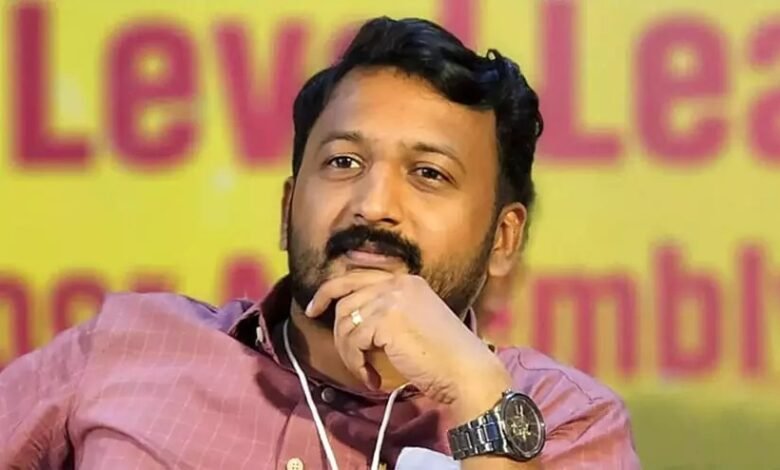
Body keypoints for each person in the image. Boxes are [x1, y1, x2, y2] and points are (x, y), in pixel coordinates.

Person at [0, 16, 640, 470]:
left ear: (503, 239)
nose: (373, 204)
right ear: (287, 210)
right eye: (342, 162)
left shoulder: (564, 420)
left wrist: (477, 397)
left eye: (428, 173)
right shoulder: (126, 347)